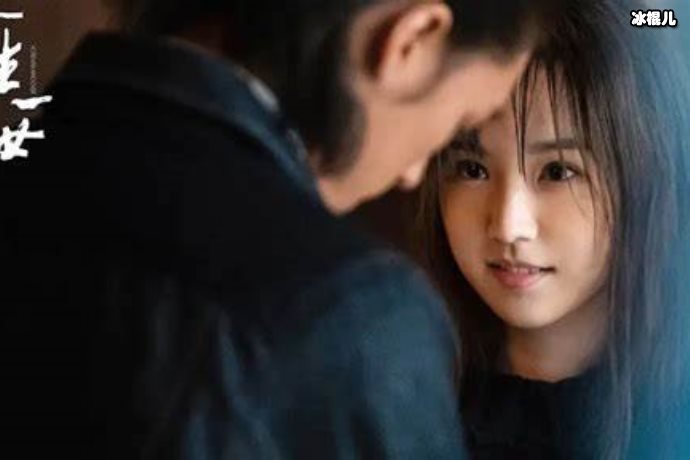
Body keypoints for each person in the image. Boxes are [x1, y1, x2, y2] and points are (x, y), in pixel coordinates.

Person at [0, 0, 564, 458]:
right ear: (412, 41)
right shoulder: (348, 308)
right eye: (459, 127)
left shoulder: (36, 169)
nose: (412, 174)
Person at [418, 0, 690, 457]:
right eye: (471, 169)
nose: (508, 225)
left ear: (648, 179)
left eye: (558, 171)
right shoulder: (396, 404)